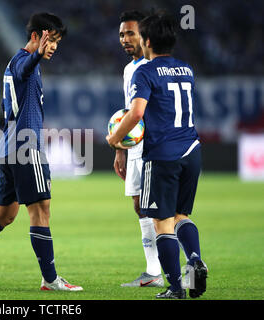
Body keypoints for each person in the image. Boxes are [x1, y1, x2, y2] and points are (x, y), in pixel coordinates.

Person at [0, 12, 83, 291]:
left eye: (57, 41)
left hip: (10, 146)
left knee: (5, 214)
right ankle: (50, 279)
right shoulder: (24, 62)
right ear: (36, 36)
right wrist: (36, 56)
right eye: (51, 39)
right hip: (25, 146)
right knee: (41, 211)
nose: (54, 46)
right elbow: (25, 69)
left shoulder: (14, 64)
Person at [106, 12, 208, 299]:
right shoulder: (186, 69)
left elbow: (136, 113)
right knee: (181, 216)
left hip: (162, 154)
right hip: (192, 149)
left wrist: (115, 138)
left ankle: (175, 287)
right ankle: (195, 258)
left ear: (147, 40)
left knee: (162, 223)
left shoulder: (145, 71)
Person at [114, 10, 163, 288]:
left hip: (154, 148)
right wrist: (120, 148)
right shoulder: (128, 70)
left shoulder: (153, 66)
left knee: (159, 208)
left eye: (130, 33)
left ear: (144, 36)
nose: (125, 39)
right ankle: (152, 270)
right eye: (121, 34)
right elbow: (127, 113)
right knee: (139, 205)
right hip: (134, 148)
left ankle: (166, 268)